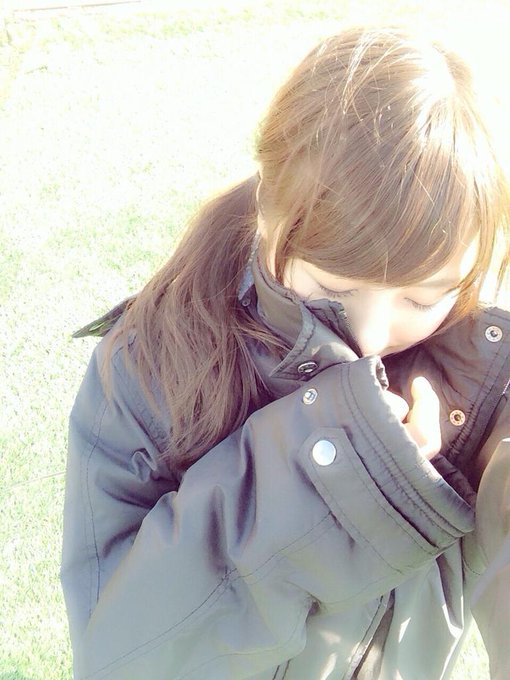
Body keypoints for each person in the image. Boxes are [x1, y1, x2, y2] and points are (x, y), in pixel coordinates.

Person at [61, 25, 510, 679]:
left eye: (424, 297)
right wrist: (340, 481)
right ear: (266, 213)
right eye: (334, 288)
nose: (373, 337)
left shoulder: (481, 368)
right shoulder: (145, 370)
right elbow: (125, 661)